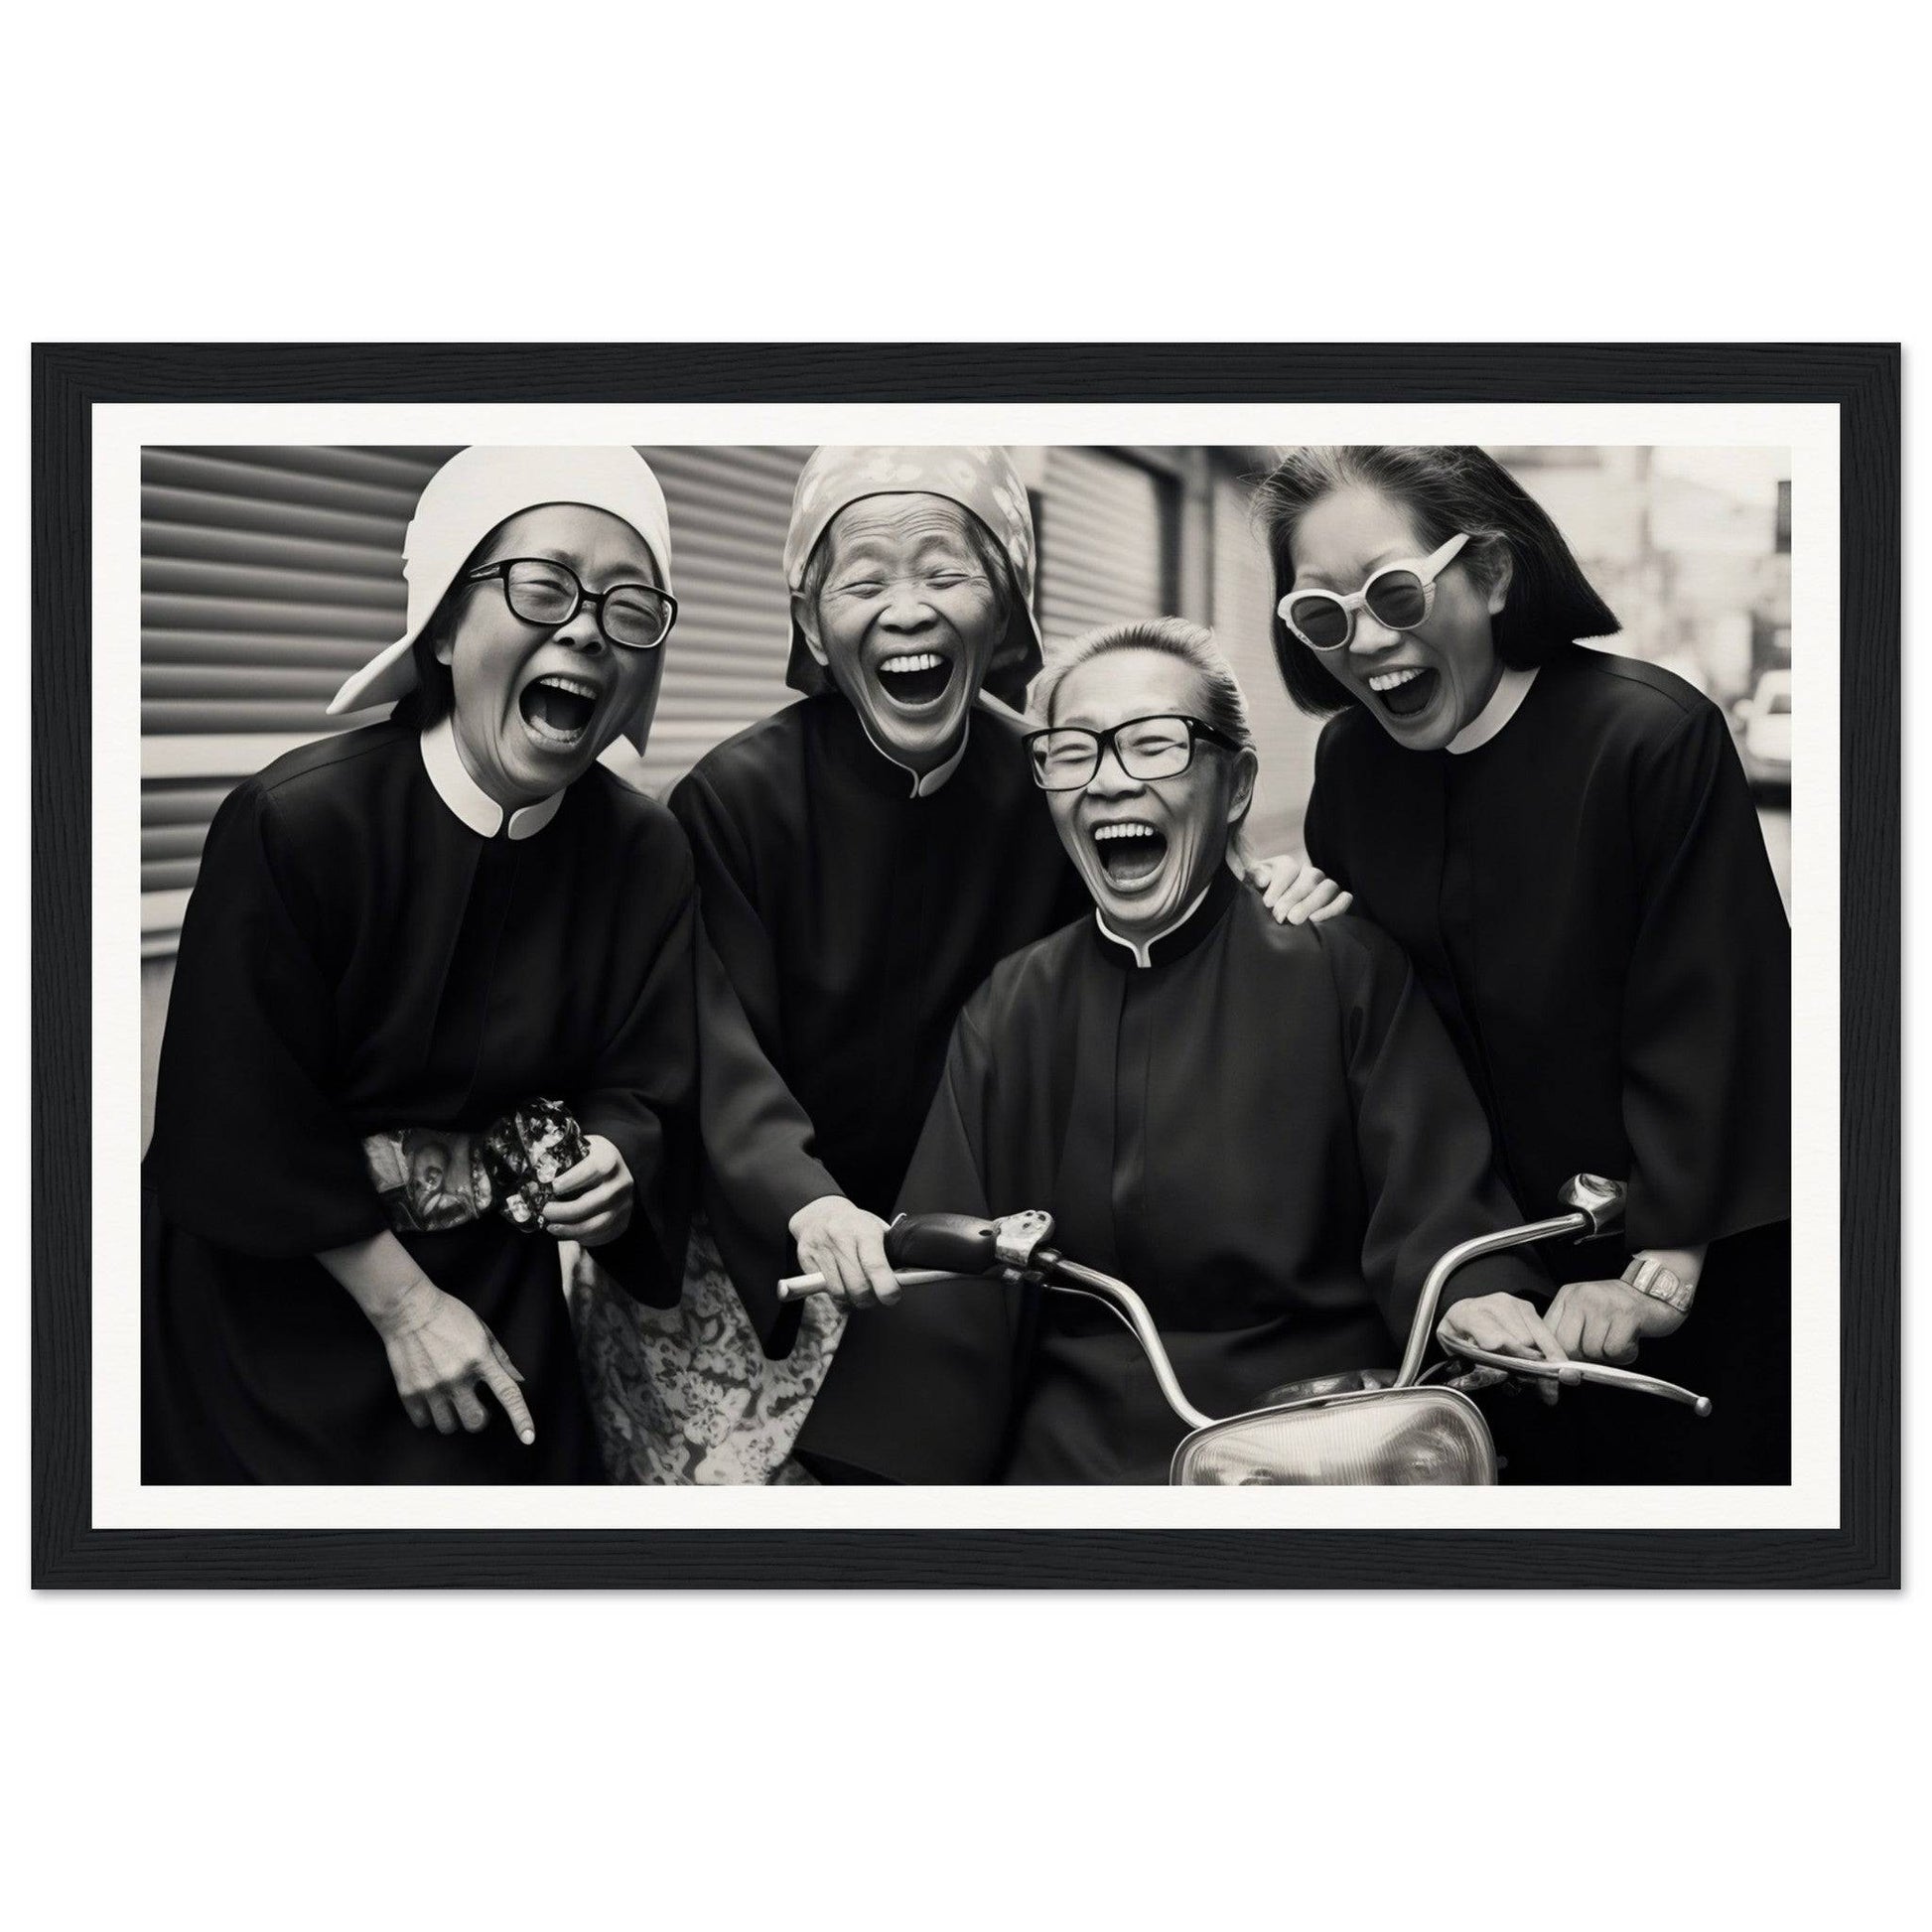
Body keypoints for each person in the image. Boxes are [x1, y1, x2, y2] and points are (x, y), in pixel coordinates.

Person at [795, 620, 1557, 1484]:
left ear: (1235, 786)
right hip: (1074, 1457)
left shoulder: (1342, 969)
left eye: (1154, 746)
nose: (1111, 782)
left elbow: (1436, 1202)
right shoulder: (1013, 1008)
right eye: (1073, 753)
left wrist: (1474, 1295)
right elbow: (952, 1280)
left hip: (1312, 1440)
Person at [667, 448, 1337, 1382]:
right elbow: (714, 1043)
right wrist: (803, 1200)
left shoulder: (1056, 775)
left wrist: (1265, 889)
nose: (908, 609)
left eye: (947, 573)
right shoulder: (733, 799)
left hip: (994, 1241)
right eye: (862, 582)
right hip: (785, 1245)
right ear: (814, 627)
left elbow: (1161, 912)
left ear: (1011, 604)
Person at [143, 446, 698, 1483]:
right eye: (543, 586)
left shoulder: (643, 853)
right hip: (272, 1311)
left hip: (495, 1294)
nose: (585, 625)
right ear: (444, 625)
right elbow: (235, 1109)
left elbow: (648, 1073)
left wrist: (619, 1158)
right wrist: (402, 1304)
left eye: (631, 607)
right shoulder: (294, 822)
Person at [1257, 445, 1792, 1482]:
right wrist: (1325, 908)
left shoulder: (1647, 735)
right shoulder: (1349, 762)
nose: (1363, 642)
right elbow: (1384, 1017)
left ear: (1492, 574)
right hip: (1470, 1279)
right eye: (1320, 615)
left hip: (1687, 1265)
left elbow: (1716, 1009)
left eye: (1392, 591)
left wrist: (1664, 1263)